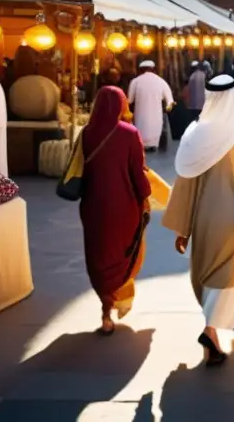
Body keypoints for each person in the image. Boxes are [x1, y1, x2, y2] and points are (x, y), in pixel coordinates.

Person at [163, 75, 234, 366]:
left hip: (203, 219)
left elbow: (185, 183)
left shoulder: (193, 134)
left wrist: (182, 229)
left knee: (210, 272)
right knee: (231, 273)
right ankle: (210, 332)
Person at [78, 87, 153, 335]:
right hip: (124, 207)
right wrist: (146, 197)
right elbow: (137, 174)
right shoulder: (130, 134)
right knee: (123, 252)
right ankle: (120, 297)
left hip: (94, 206)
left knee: (99, 255)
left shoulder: (87, 133)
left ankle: (106, 311)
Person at [127, 61, 175, 151]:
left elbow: (129, 100)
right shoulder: (161, 81)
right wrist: (168, 108)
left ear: (140, 70)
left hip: (140, 118)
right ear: (154, 69)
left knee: (141, 135)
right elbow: (170, 101)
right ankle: (153, 145)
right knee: (154, 133)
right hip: (156, 118)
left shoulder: (135, 81)